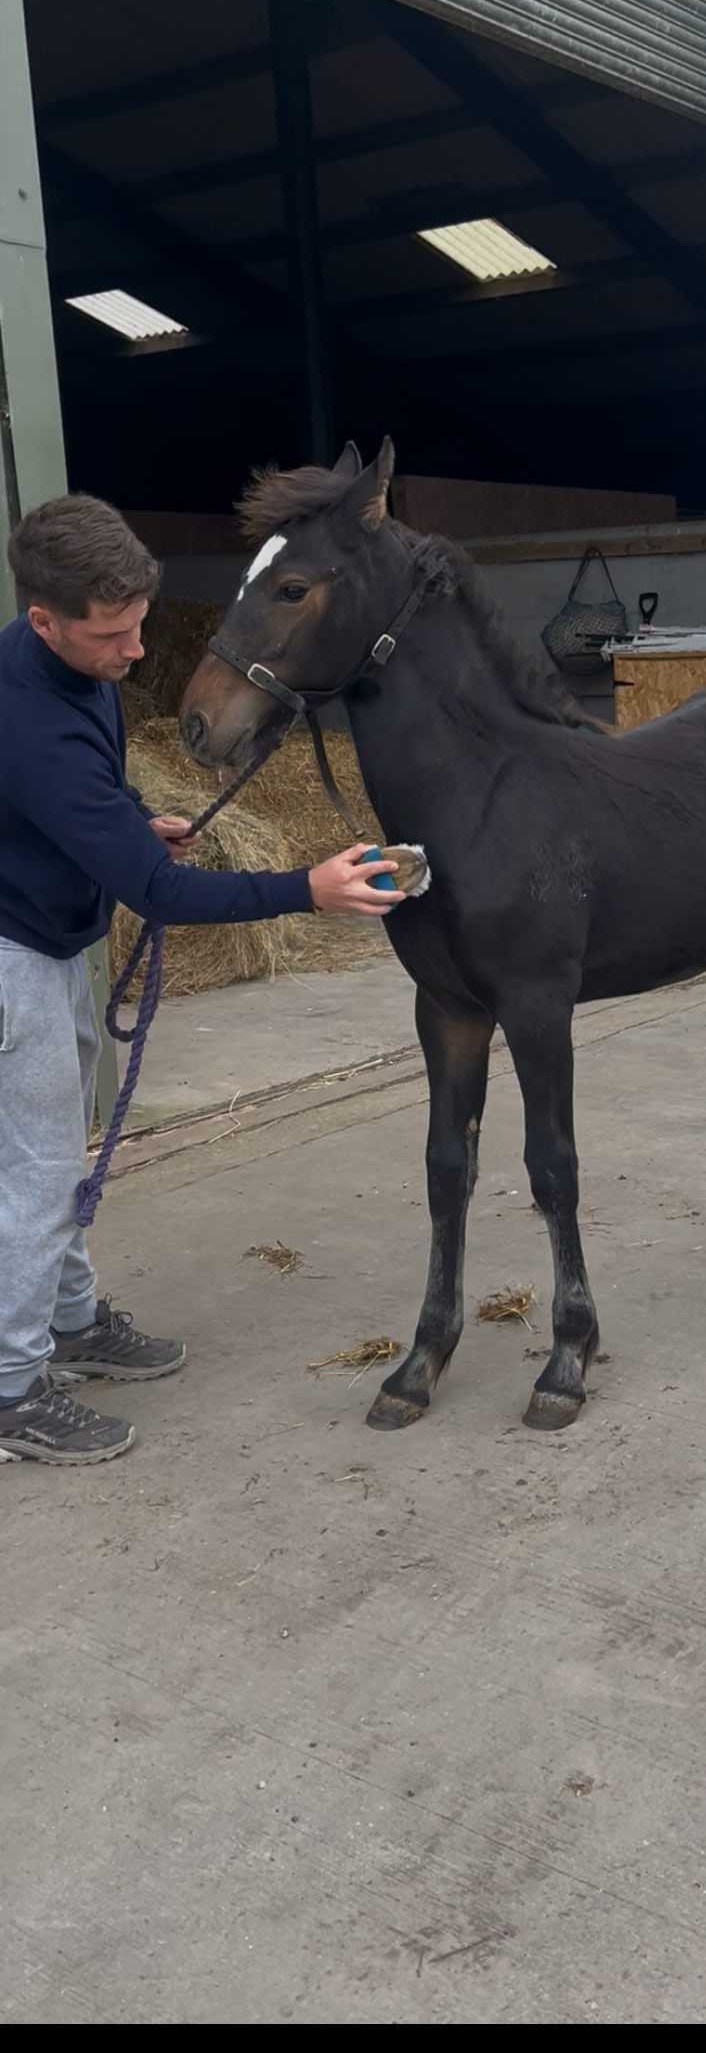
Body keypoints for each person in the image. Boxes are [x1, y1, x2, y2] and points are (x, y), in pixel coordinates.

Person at [0, 493, 402, 1470]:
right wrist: (306, 889)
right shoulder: (25, 719)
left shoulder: (76, 666)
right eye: (112, 635)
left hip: (52, 936)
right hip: (12, 956)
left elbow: (97, 789)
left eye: (140, 624)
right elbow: (161, 897)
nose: (136, 653)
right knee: (40, 1172)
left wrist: (133, 813)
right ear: (43, 620)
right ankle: (11, 1390)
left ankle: (73, 1319)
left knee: (59, 1151)